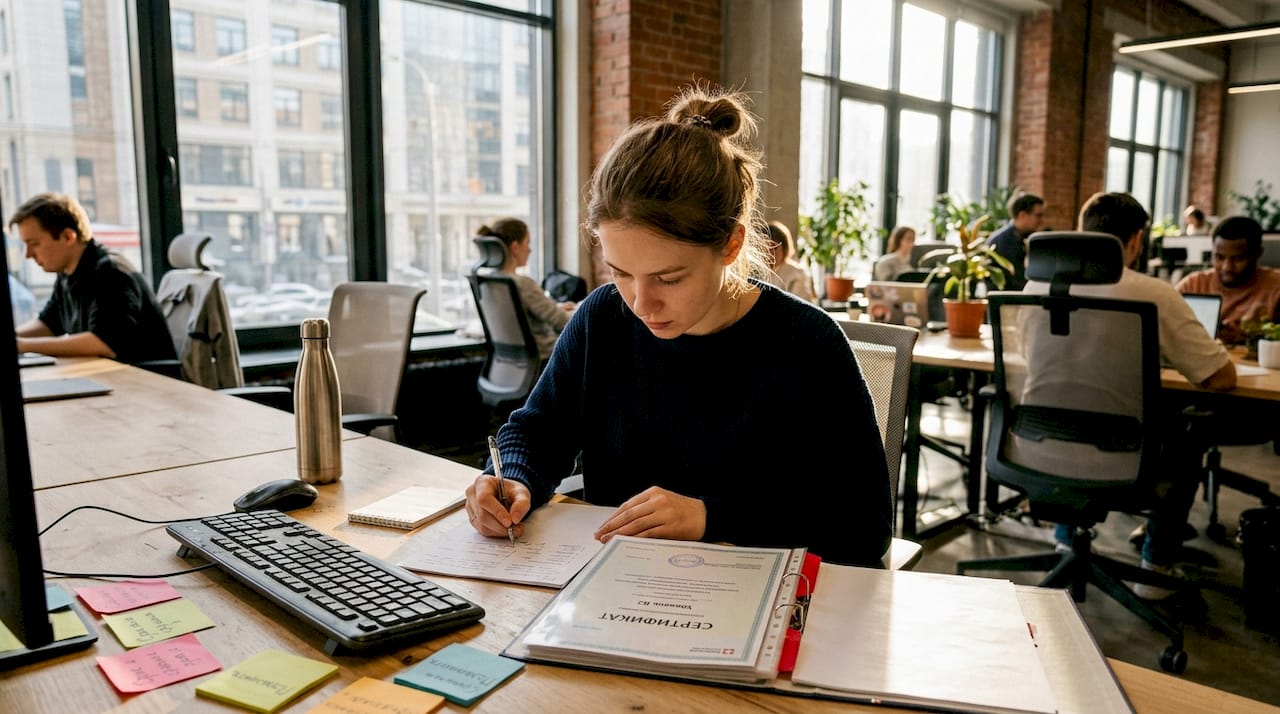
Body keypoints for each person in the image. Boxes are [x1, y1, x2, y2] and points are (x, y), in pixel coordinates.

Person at [463, 86, 891, 567]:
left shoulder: (808, 344)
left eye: (668, 278)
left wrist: (710, 516)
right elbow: (538, 431)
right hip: (614, 581)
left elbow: (864, 523)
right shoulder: (603, 317)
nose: (641, 304)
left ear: (730, 245)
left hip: (750, 590)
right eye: (620, 273)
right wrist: (513, 476)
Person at [1026, 192, 1235, 598]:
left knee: (1073, 409)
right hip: (1124, 458)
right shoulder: (1154, 293)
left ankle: (1065, 541)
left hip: (1034, 447)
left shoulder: (1036, 286)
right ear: (1137, 239)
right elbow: (1220, 378)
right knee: (1189, 434)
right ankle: (1156, 563)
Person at [10, 193, 175, 364]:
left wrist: (25, 346)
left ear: (68, 237)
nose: (28, 254)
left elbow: (104, 342)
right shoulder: (67, 274)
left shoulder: (112, 274)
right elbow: (48, 324)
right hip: (109, 374)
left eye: (34, 244)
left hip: (145, 377)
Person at [476, 217, 575, 360]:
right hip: (546, 358)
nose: (530, 250)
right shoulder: (522, 284)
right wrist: (580, 311)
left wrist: (556, 308)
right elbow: (562, 322)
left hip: (511, 362)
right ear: (515, 247)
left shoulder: (488, 282)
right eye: (527, 243)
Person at [1175, 215, 1280, 345]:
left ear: (1258, 253)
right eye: (1219, 257)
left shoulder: (1276, 288)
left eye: (1238, 259)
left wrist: (1254, 334)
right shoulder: (1193, 284)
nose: (1227, 268)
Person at [987, 193, 1046, 290]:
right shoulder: (1003, 241)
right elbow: (1018, 279)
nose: (1041, 221)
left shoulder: (1022, 237)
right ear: (1022, 215)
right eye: (1038, 215)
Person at [764, 220, 817, 303]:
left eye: (774, 247)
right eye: (765, 248)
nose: (770, 252)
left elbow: (800, 305)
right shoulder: (757, 273)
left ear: (784, 247)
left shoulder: (797, 273)